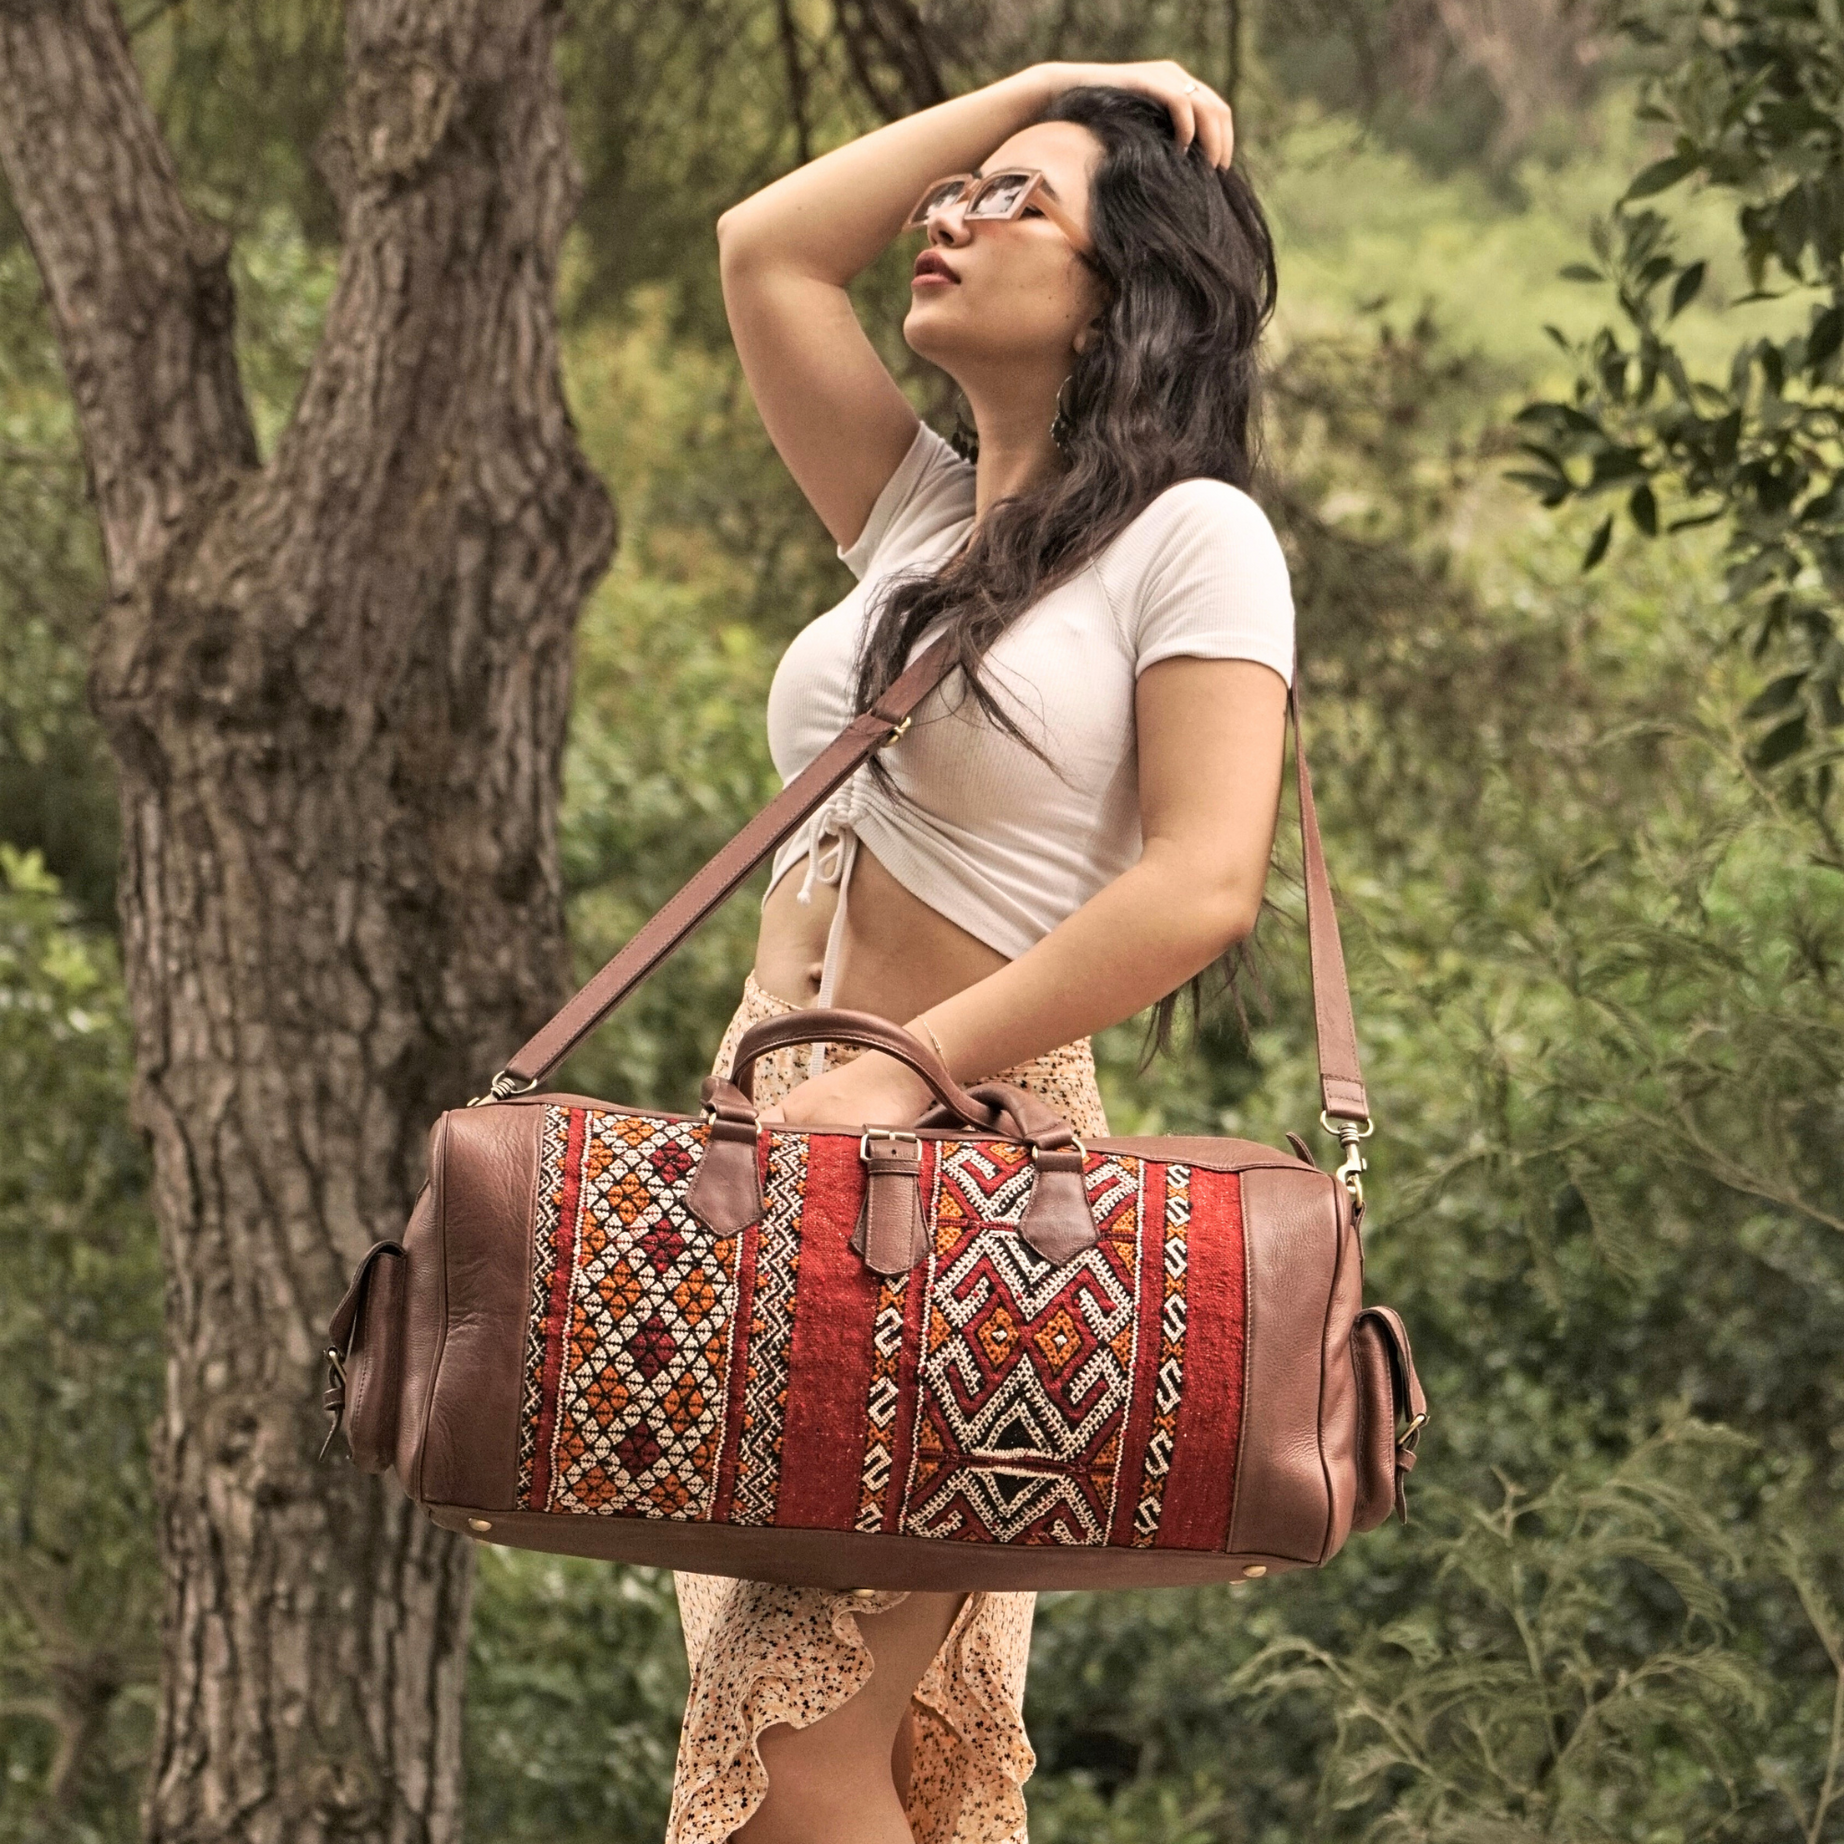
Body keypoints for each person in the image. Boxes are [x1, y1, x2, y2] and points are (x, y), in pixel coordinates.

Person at [669, 57, 1292, 1844]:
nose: (948, 216)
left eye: (1018, 201)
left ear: (1130, 289)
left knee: (799, 1751)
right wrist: (1048, 93)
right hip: (775, 1149)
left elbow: (1201, 886)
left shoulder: (1196, 539)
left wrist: (904, 1068)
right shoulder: (918, 519)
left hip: (970, 1152)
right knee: (797, 1734)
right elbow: (766, 251)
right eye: (959, 191)